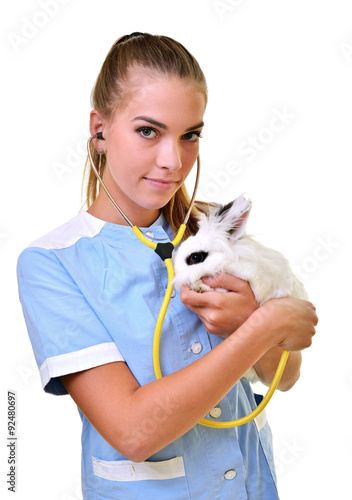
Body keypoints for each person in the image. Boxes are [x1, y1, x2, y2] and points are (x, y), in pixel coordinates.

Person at [17, 32, 318, 499]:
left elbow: (286, 374)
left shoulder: (211, 225)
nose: (172, 161)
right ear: (99, 129)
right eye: (148, 131)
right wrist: (263, 324)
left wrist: (260, 328)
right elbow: (134, 432)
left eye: (190, 135)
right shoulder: (52, 264)